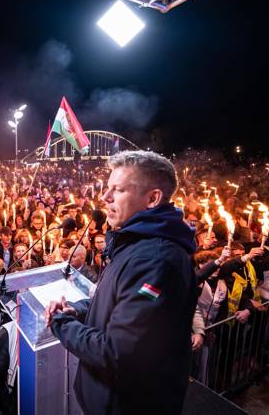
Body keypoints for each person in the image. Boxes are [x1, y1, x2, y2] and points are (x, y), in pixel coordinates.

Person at [45, 151, 197, 414]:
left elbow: (116, 352)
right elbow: (112, 302)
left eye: (118, 189)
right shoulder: (133, 244)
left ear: (152, 199)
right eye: (108, 188)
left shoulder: (154, 261)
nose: (105, 197)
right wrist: (76, 310)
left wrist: (61, 323)